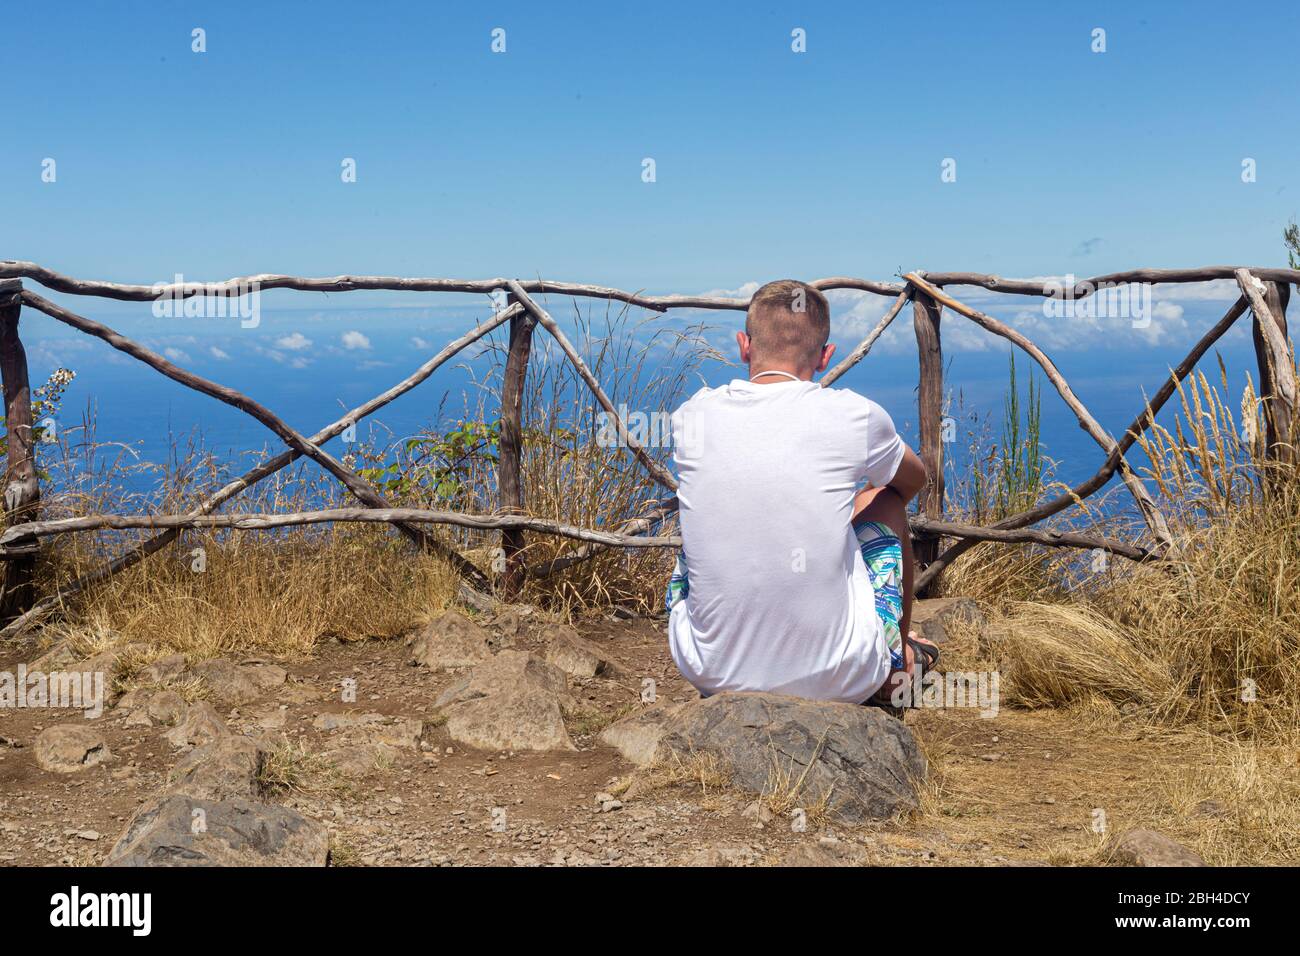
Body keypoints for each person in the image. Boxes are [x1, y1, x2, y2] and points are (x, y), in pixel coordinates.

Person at [665, 279, 938, 707]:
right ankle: (897, 658)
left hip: (711, 670)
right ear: (826, 356)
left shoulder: (691, 416)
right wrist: (859, 498)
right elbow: (912, 480)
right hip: (838, 680)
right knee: (882, 502)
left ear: (744, 345)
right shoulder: (855, 415)